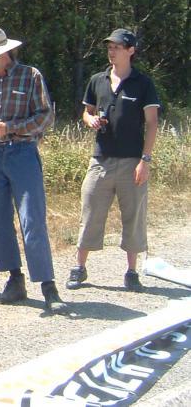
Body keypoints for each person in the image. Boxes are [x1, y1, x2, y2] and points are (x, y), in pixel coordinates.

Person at [0, 26, 67, 314]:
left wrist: (11, 128)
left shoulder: (31, 76)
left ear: (5, 53)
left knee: (32, 218)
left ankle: (48, 285)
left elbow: (46, 117)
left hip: (22, 152)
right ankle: (14, 279)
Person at [66, 28, 159, 292]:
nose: (112, 51)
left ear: (131, 50)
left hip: (132, 161)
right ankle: (79, 268)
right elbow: (87, 112)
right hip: (101, 159)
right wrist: (90, 120)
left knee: (134, 216)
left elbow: (152, 123)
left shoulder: (143, 83)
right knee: (90, 211)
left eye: (117, 47)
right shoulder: (97, 80)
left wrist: (146, 160)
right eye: (109, 46)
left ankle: (131, 272)